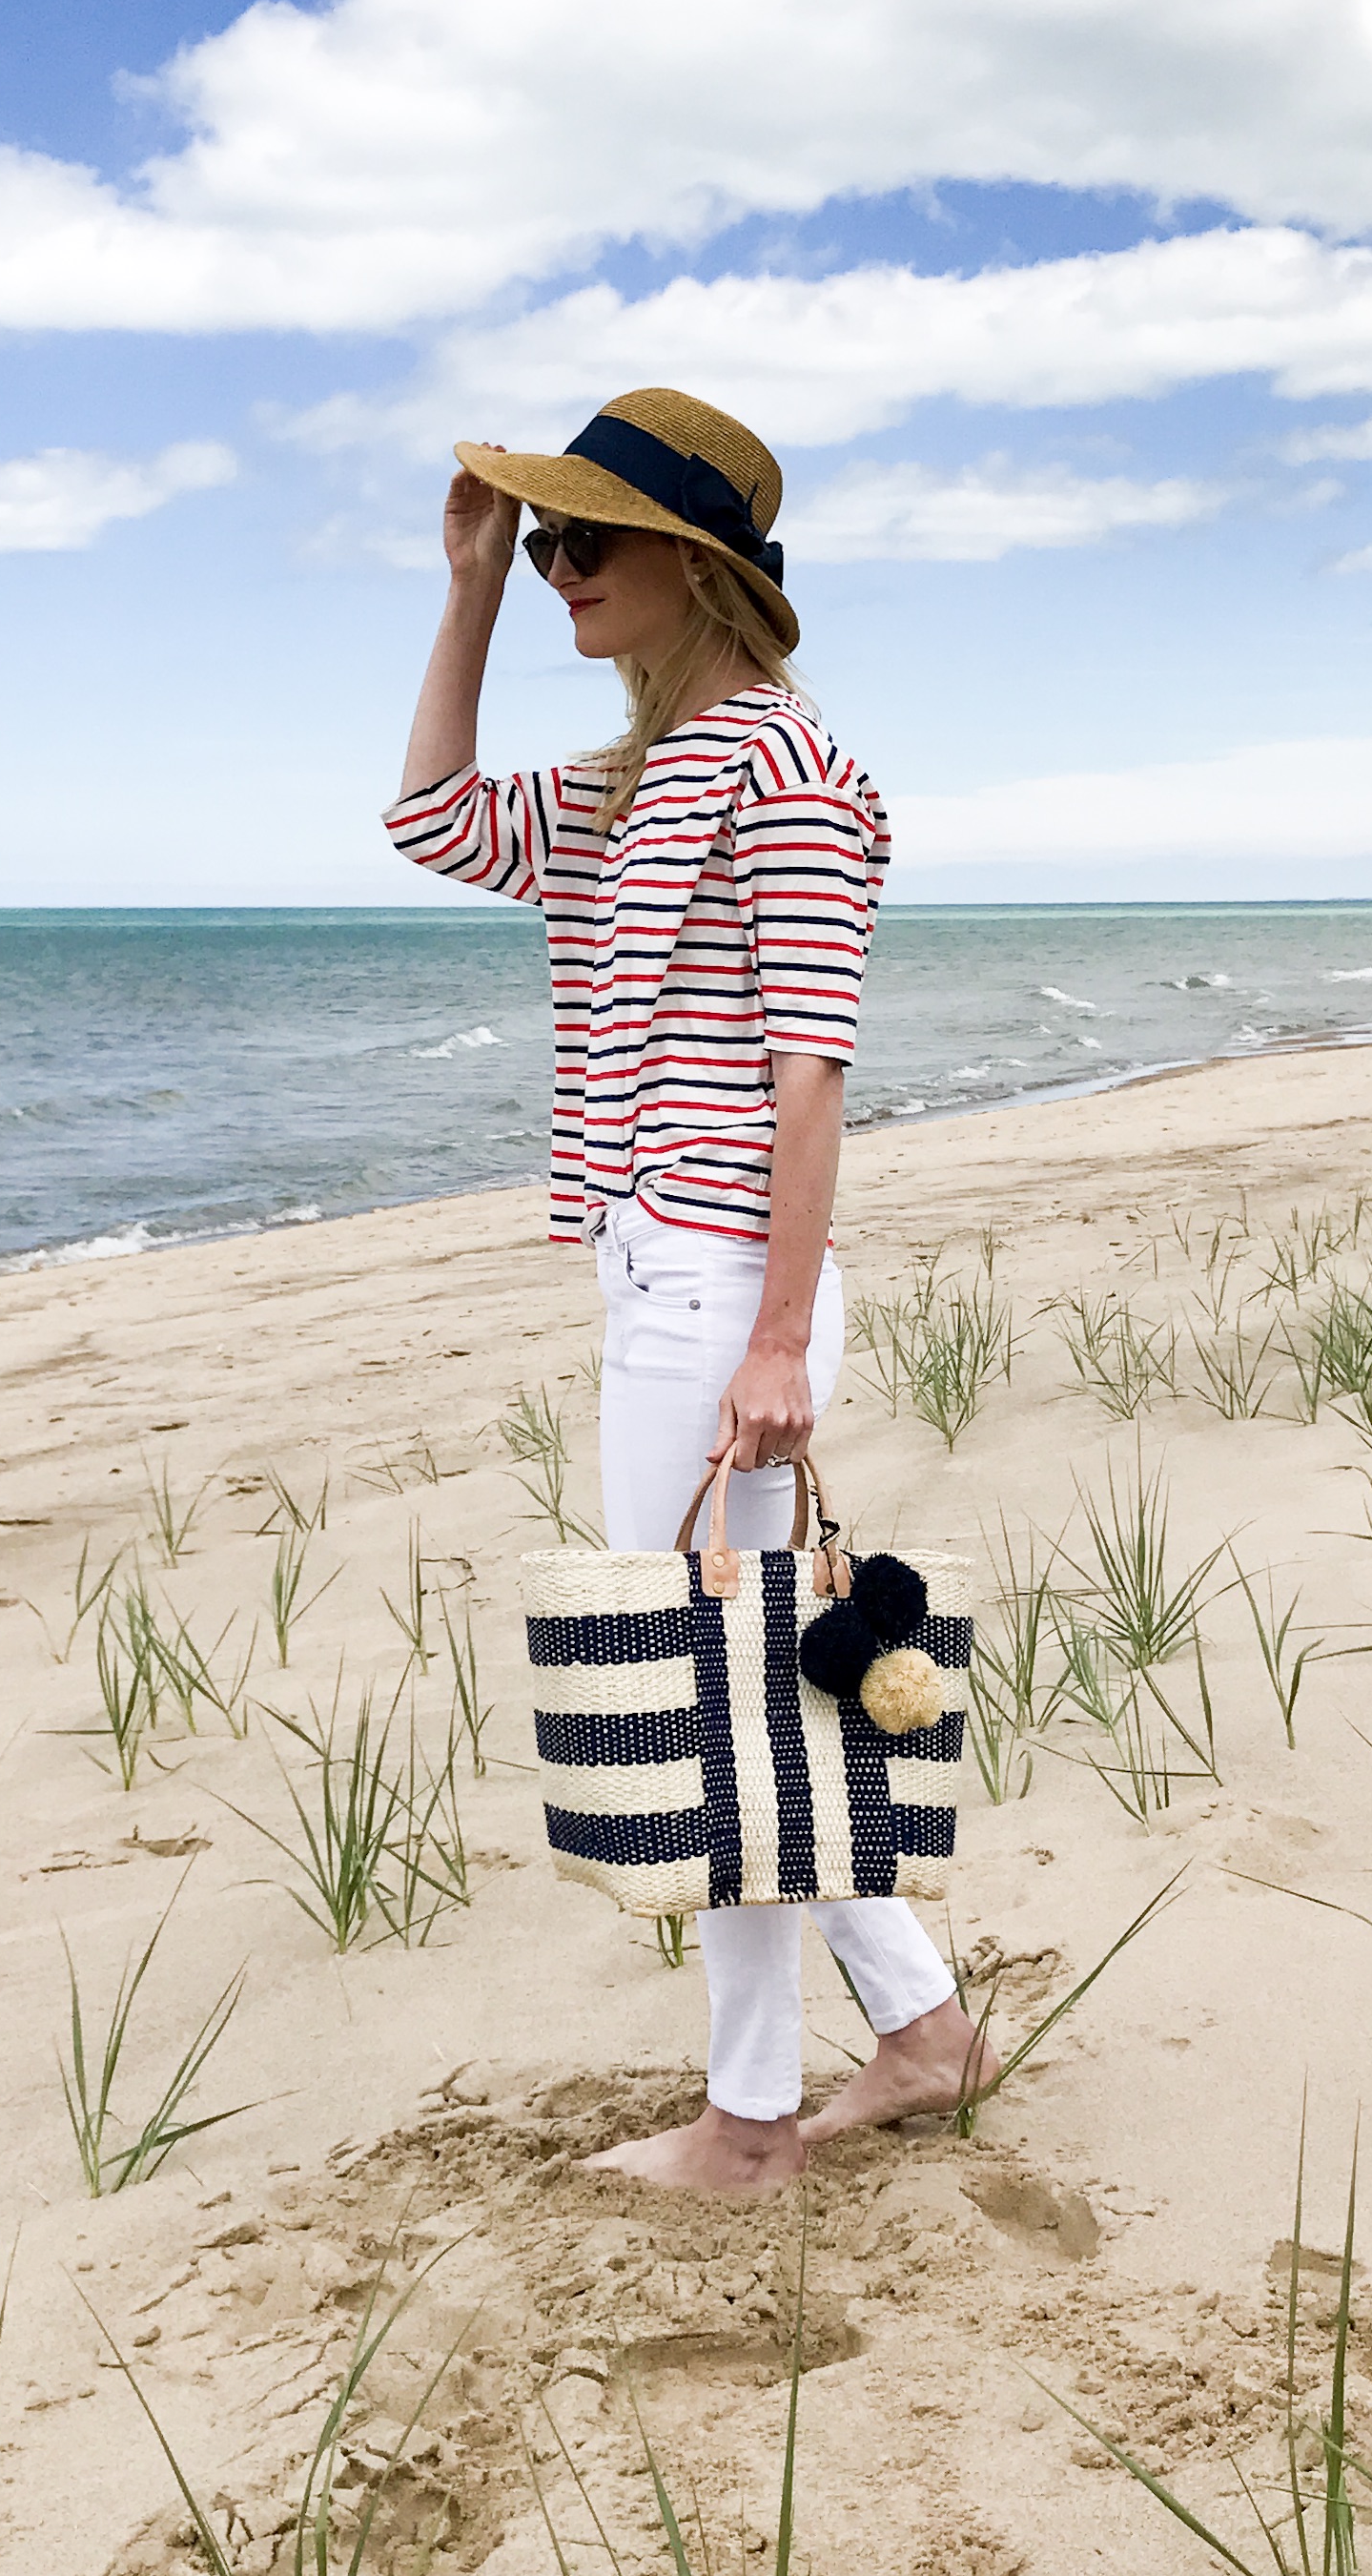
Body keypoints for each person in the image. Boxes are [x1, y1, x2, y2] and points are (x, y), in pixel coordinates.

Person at [386, 386, 994, 2195]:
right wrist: (472, 594)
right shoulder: (635, 782)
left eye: (582, 544)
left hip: (731, 1284)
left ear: (693, 562)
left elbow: (813, 1068)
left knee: (700, 1684)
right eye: (549, 542)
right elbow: (430, 820)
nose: (562, 570)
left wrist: (784, 1340)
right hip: (657, 1264)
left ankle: (747, 2124)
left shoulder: (790, 772)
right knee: (750, 1681)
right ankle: (924, 2031)